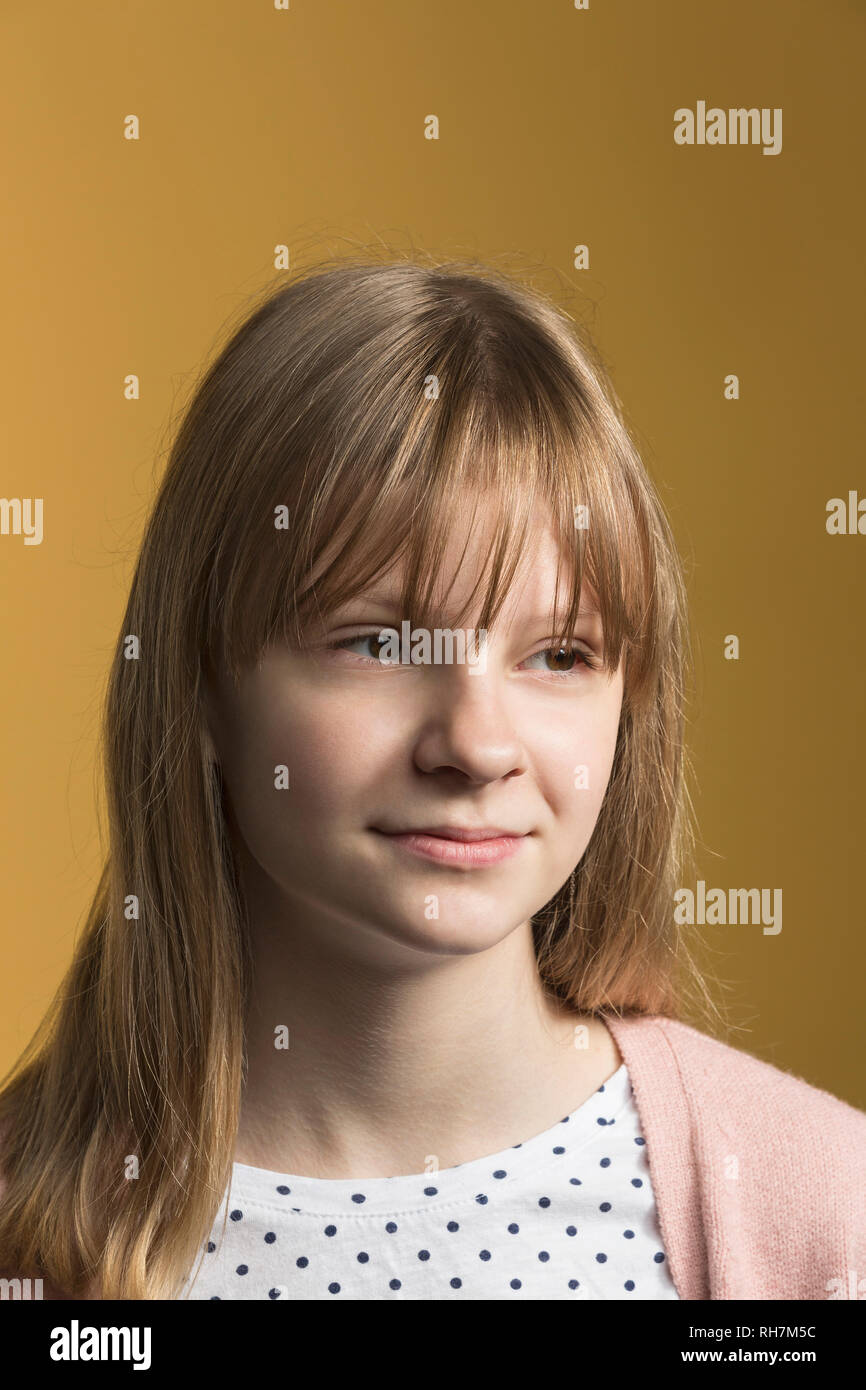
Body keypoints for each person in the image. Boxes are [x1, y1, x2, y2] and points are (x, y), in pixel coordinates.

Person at [0, 255, 863, 1302]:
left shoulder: (817, 1214)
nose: (475, 743)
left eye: (557, 654)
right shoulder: (26, 1238)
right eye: (375, 643)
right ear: (202, 688)